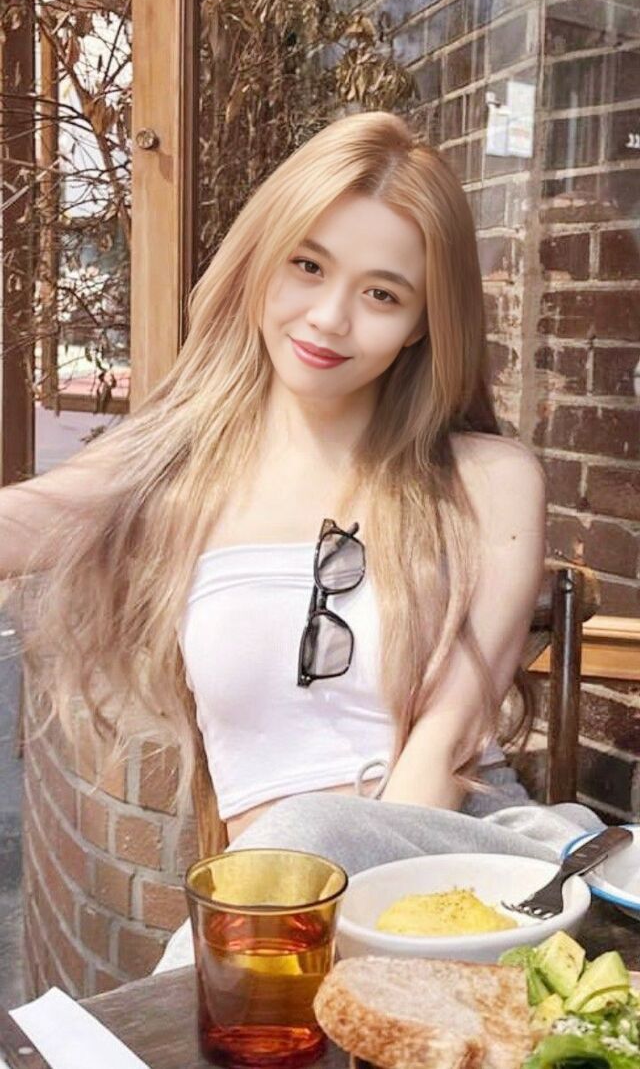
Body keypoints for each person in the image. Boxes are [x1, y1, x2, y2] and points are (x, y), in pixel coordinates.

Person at [0, 111, 602, 974]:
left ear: (423, 323)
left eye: (382, 294)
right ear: (263, 258)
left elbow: (449, 737)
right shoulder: (173, 468)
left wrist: (366, 932)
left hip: (458, 870)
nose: (328, 318)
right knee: (266, 885)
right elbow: (19, 525)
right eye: (308, 265)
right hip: (271, 902)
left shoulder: (487, 479)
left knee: (295, 852)